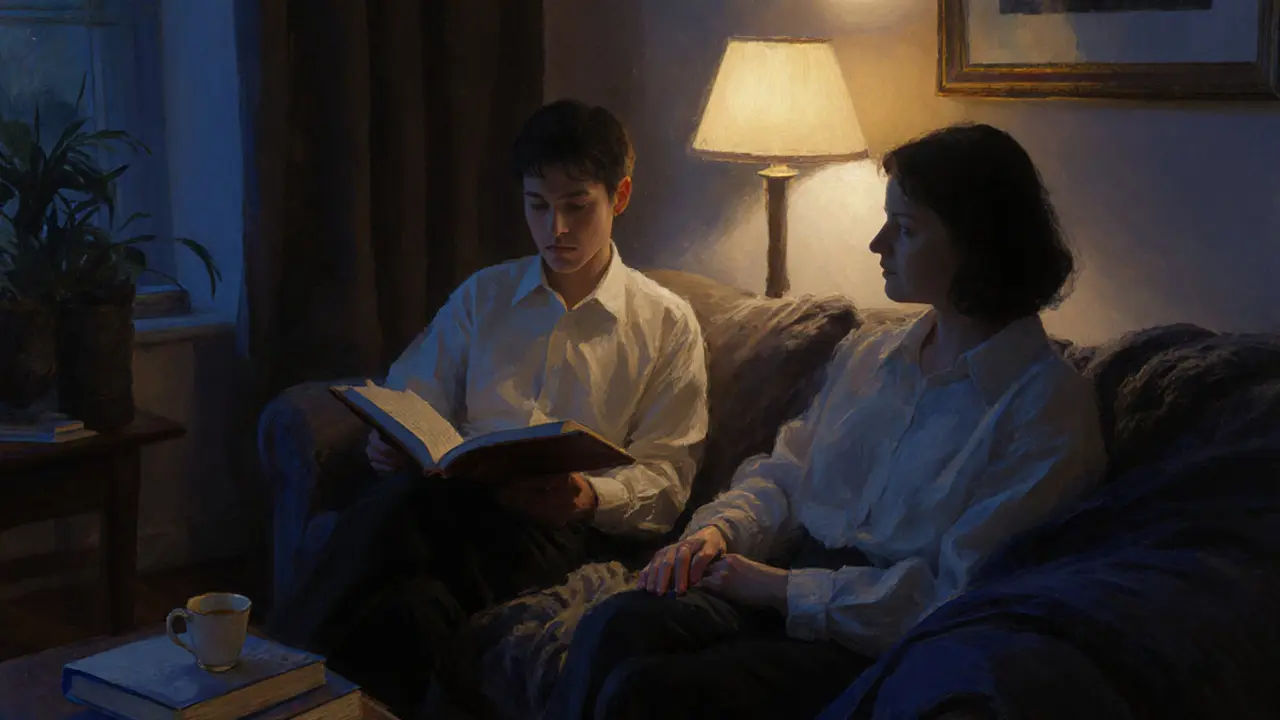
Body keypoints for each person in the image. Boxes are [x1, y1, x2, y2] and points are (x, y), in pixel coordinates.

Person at [545, 122, 1108, 720]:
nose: (878, 244)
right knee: (615, 624)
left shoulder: (1043, 407)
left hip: (865, 639)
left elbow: (958, 595)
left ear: (976, 244)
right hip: (775, 578)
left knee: (650, 691)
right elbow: (785, 475)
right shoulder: (873, 354)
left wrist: (780, 588)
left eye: (905, 229)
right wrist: (720, 534)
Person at [264, 99, 709, 717]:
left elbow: (669, 480)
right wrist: (392, 437)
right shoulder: (487, 294)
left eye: (577, 206)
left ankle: (266, 675)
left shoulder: (666, 324)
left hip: (560, 532)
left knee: (399, 517)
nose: (556, 228)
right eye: (537, 205)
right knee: (413, 605)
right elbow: (413, 392)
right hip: (456, 503)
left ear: (621, 196)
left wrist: (589, 495)